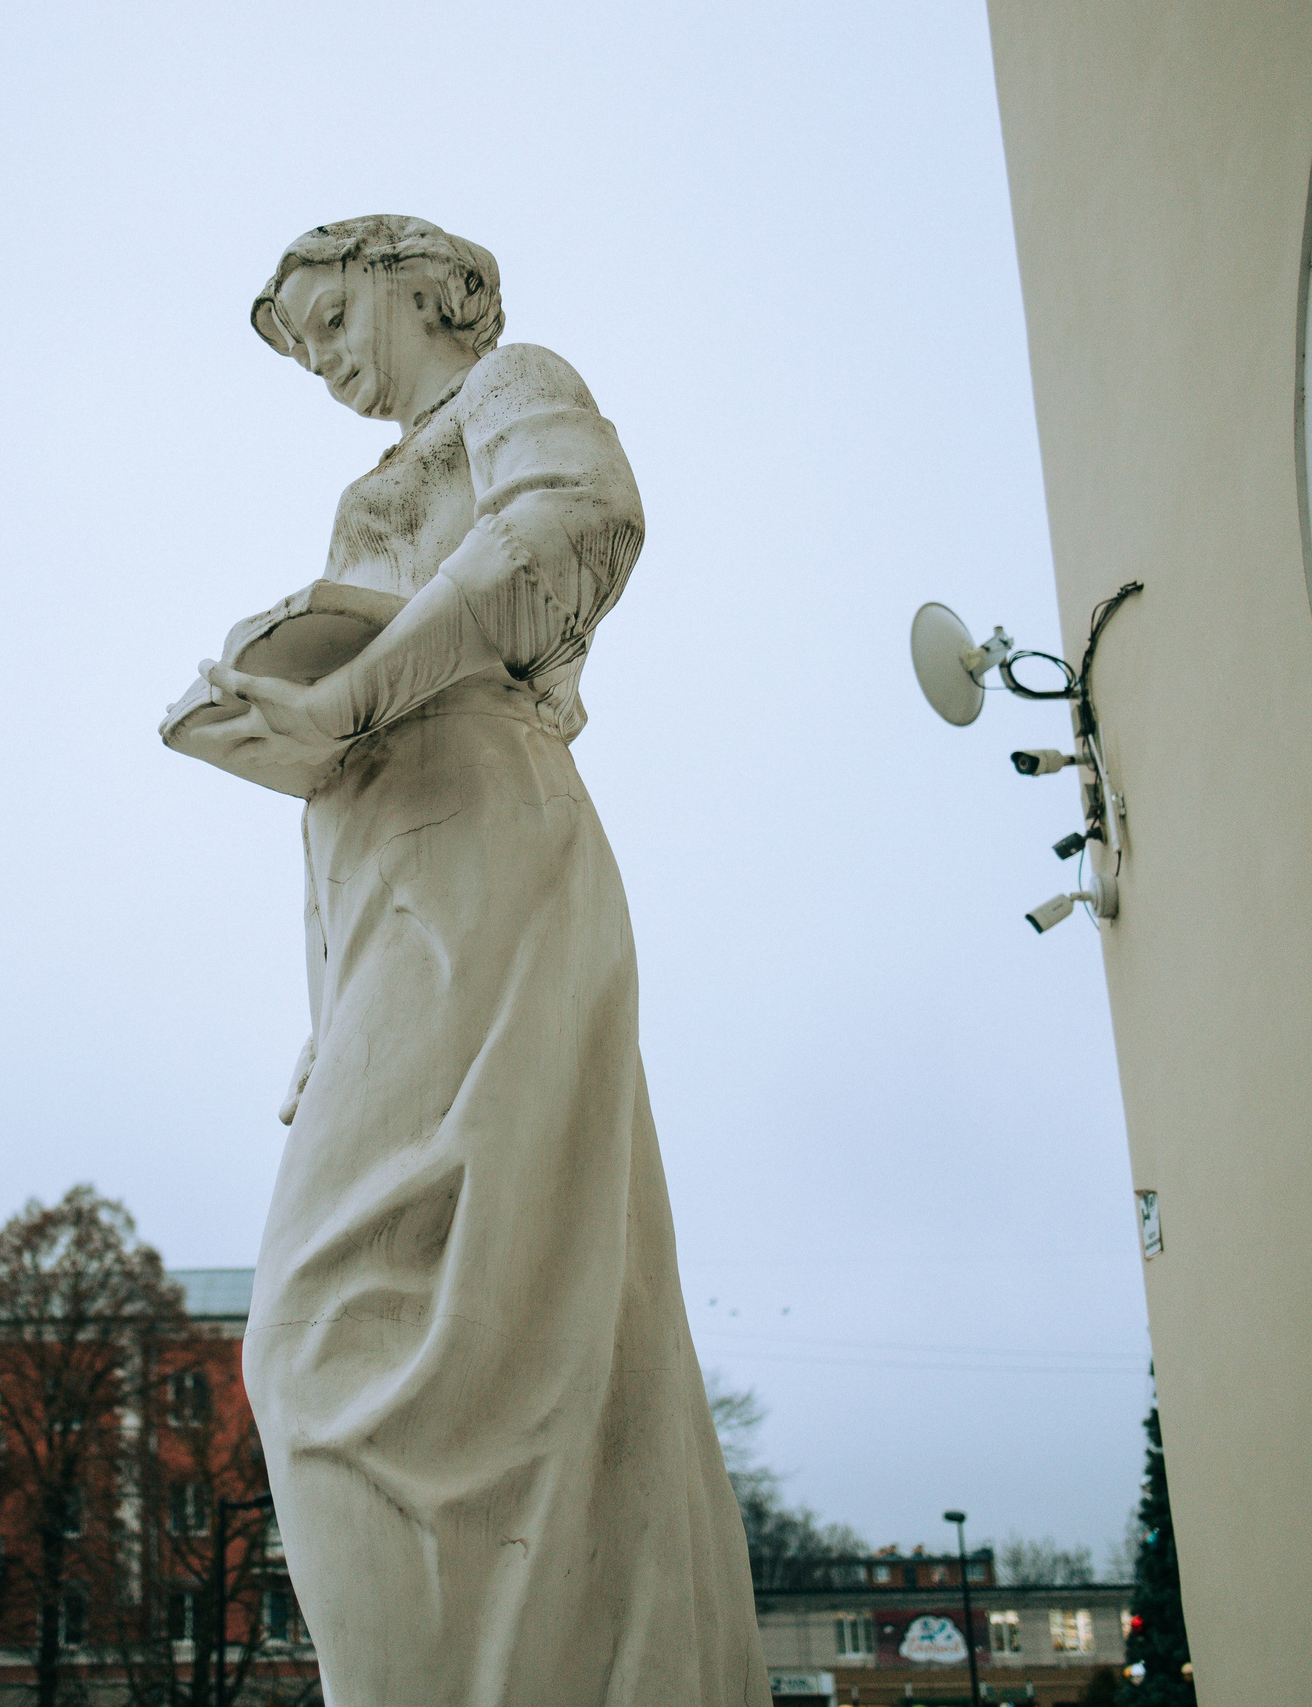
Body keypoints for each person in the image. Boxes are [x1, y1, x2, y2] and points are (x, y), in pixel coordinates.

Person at [173, 216, 768, 1706]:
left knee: (324, 1332)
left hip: (477, 840)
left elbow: (578, 519)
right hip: (386, 874)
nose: (316, 360)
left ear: (414, 280)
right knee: (528, 1301)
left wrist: (355, 686)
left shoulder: (510, 386)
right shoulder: (364, 487)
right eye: (298, 340)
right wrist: (330, 1013)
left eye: (326, 318)